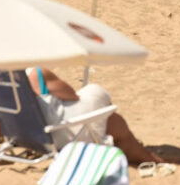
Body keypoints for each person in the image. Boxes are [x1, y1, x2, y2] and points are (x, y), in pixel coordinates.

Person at [28, 67, 172, 166]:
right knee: (96, 94)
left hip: (38, 141)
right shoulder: (36, 74)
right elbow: (71, 95)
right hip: (65, 137)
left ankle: (134, 149)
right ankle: (144, 155)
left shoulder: (7, 85)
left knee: (105, 117)